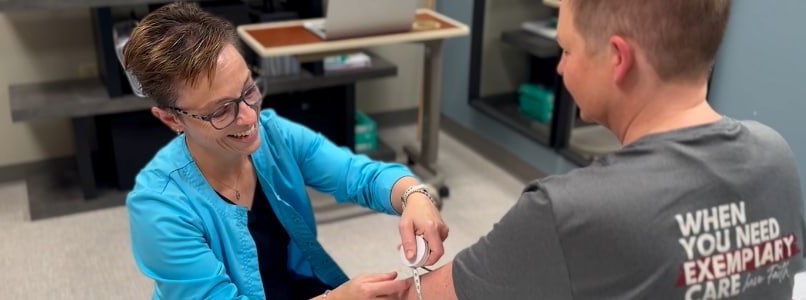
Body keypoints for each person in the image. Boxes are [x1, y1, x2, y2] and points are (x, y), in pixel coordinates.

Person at [392, 0, 806, 299]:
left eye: (568, 50)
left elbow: (419, 298)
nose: (560, 67)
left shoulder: (566, 212)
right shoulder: (775, 156)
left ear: (617, 58)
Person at [122, 2, 448, 299]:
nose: (250, 117)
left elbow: (357, 175)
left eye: (249, 89)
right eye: (221, 111)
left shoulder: (274, 134)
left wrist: (413, 196)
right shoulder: (159, 207)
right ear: (171, 118)